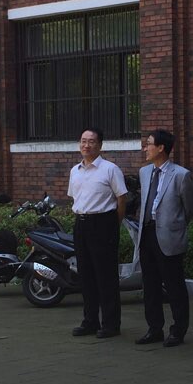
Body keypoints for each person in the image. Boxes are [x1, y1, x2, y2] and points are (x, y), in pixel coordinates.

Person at [134, 129, 193, 347]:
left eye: (149, 144)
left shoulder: (181, 174)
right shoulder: (144, 172)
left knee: (174, 286)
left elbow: (189, 208)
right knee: (150, 286)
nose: (145, 148)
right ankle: (154, 328)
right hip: (147, 234)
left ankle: (178, 330)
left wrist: (174, 226)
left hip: (169, 236)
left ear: (161, 148)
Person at [67, 128, 128, 339]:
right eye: (83, 141)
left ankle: (111, 324)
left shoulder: (110, 169)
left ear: (100, 145)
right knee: (86, 276)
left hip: (103, 224)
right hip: (81, 224)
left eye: (91, 141)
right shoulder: (75, 171)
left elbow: (121, 199)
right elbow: (75, 198)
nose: (86, 145)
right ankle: (90, 321)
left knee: (106, 276)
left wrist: (113, 225)